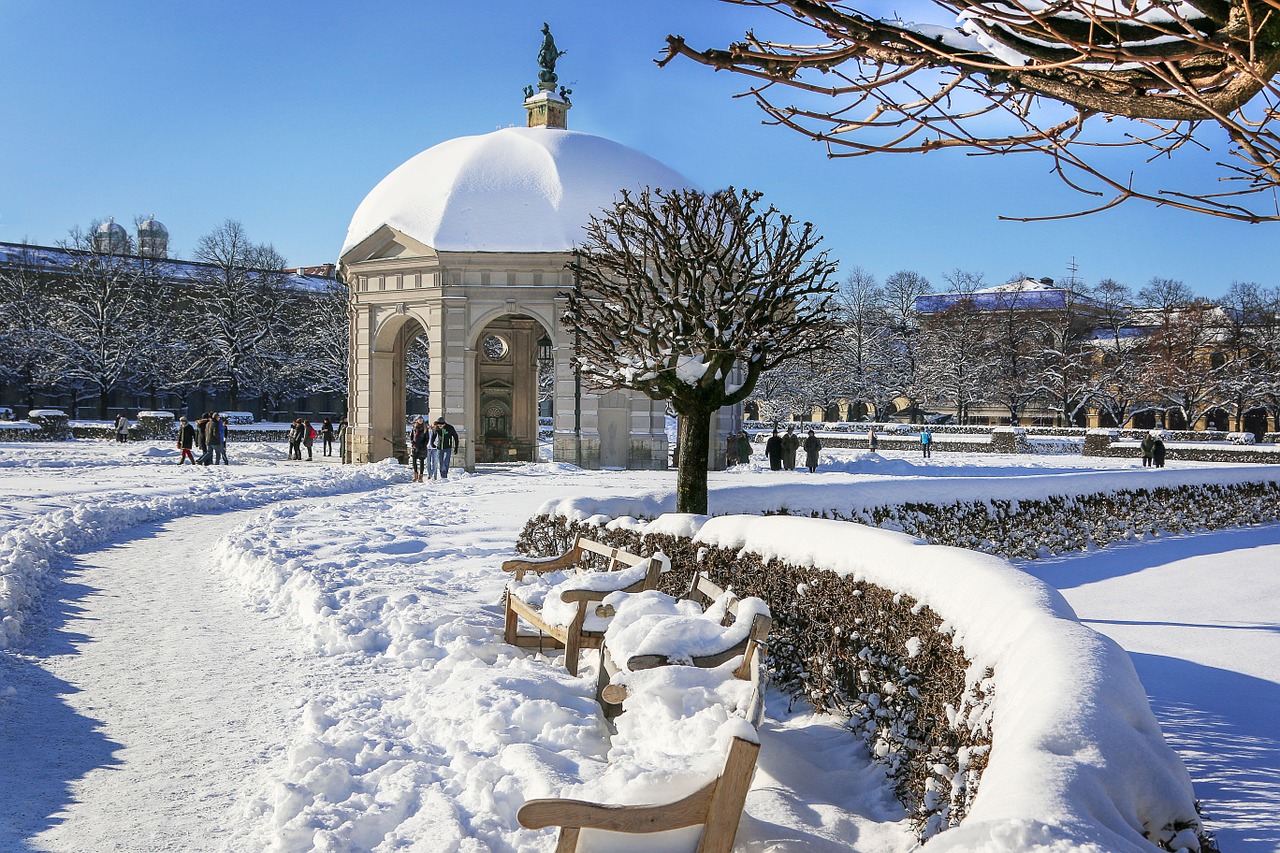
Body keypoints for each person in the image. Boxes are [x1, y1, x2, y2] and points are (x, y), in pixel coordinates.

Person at [410, 418, 429, 482]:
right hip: (415, 446)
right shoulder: (414, 427)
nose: (420, 420)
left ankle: (421, 476)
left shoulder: (425, 428)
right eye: (419, 419)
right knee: (414, 461)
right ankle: (415, 475)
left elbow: (427, 438)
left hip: (422, 447)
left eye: (421, 419)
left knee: (421, 462)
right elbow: (411, 436)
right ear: (417, 420)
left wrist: (424, 445)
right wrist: (412, 442)